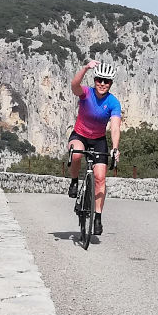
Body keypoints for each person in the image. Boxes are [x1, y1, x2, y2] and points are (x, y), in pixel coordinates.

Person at [68, 60, 121, 235]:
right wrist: (85, 68)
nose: (102, 84)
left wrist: (115, 148)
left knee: (100, 178)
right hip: (80, 135)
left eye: (106, 81)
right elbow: (74, 85)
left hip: (98, 140)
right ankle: (75, 182)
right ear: (95, 80)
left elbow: (114, 127)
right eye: (99, 79)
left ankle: (97, 217)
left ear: (111, 84)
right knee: (75, 154)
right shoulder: (86, 93)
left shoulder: (113, 103)